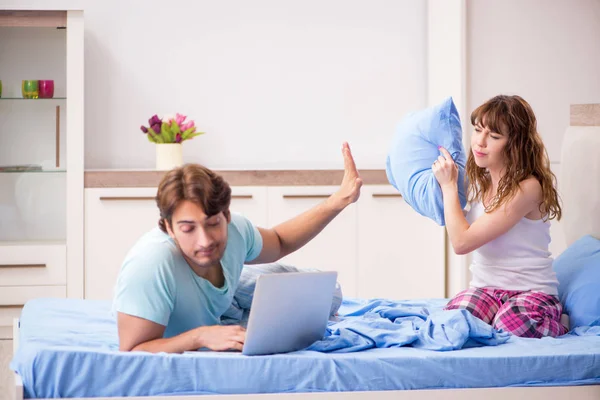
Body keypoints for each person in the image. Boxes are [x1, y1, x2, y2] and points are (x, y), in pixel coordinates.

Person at [113, 142, 362, 353]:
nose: (205, 241)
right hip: (198, 314)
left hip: (226, 297)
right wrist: (199, 337)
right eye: (188, 228)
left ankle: (232, 302)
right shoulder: (151, 264)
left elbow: (280, 240)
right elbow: (133, 351)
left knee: (329, 295)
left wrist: (337, 202)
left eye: (213, 224)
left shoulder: (236, 230)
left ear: (227, 216)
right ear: (168, 227)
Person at [432, 95, 567, 338]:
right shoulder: (478, 183)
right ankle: (494, 316)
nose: (479, 142)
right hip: (487, 290)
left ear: (515, 144)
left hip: (532, 291)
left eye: (494, 136)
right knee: (453, 325)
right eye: (477, 130)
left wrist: (449, 187)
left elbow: (462, 242)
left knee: (510, 324)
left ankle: (560, 322)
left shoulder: (528, 188)